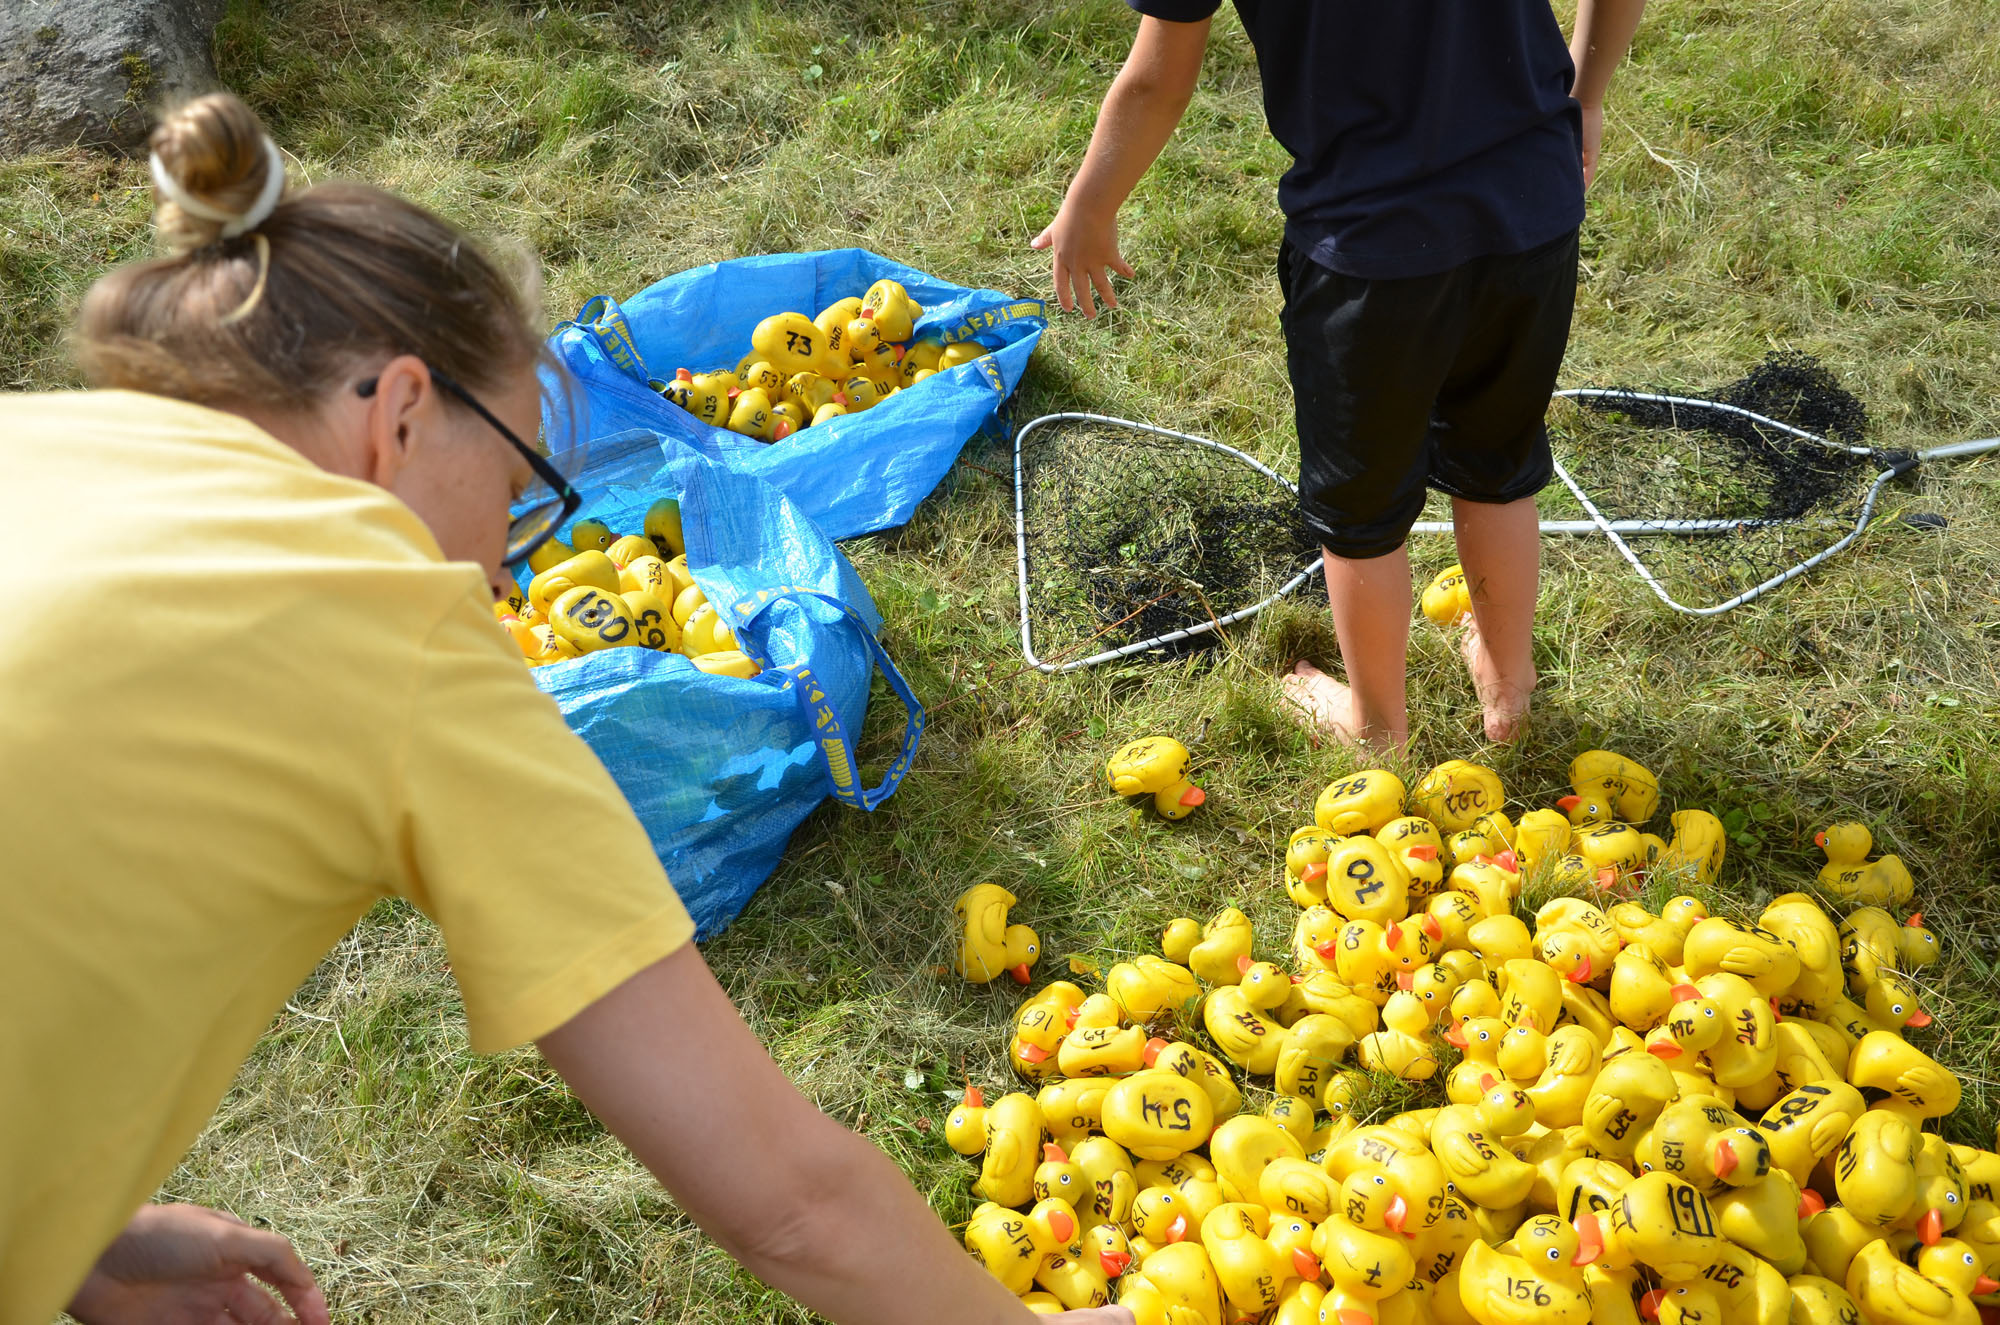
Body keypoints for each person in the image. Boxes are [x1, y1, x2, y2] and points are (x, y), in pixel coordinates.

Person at [0, 92, 1127, 1325]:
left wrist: (80, 1234)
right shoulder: (399, 631)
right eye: (524, 485)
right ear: (403, 413)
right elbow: (792, 1204)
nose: (501, 568)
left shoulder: (37, 441)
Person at [1034, 0, 1647, 748]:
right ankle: (1508, 682)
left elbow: (1158, 79)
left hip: (1372, 251)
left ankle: (1376, 726)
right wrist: (1586, 92)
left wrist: (1090, 205)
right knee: (1499, 457)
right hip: (1531, 209)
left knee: (1362, 509)